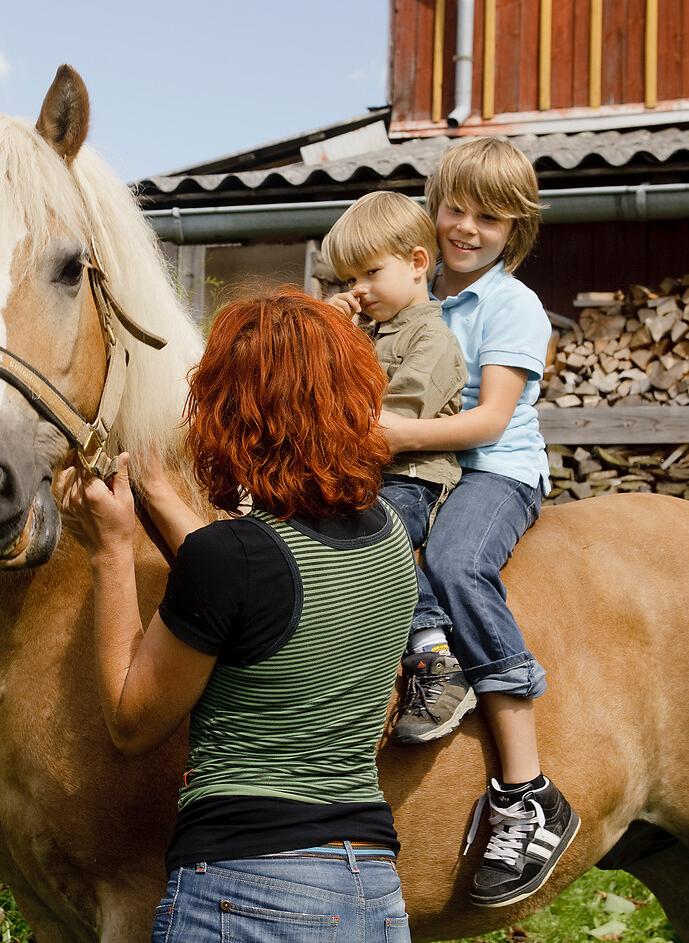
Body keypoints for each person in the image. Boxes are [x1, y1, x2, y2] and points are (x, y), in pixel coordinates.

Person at [56, 289, 418, 943]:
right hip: (372, 890)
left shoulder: (235, 559)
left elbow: (131, 721)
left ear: (231, 413)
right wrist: (160, 494)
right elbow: (259, 583)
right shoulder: (388, 534)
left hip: (250, 891)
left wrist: (109, 553)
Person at [376, 137, 580, 907]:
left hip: (494, 471)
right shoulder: (412, 294)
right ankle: (422, 654)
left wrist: (391, 434)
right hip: (422, 467)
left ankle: (528, 789)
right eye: (455, 208)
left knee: (455, 564)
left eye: (488, 218)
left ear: (513, 230)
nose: (465, 227)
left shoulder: (510, 304)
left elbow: (491, 420)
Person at [322, 191, 476, 744]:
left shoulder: (433, 339)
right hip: (360, 473)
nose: (357, 289)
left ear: (416, 263)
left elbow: (395, 419)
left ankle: (435, 654)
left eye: (369, 272)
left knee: (375, 532)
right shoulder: (364, 333)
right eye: (347, 278)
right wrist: (330, 332)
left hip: (410, 477)